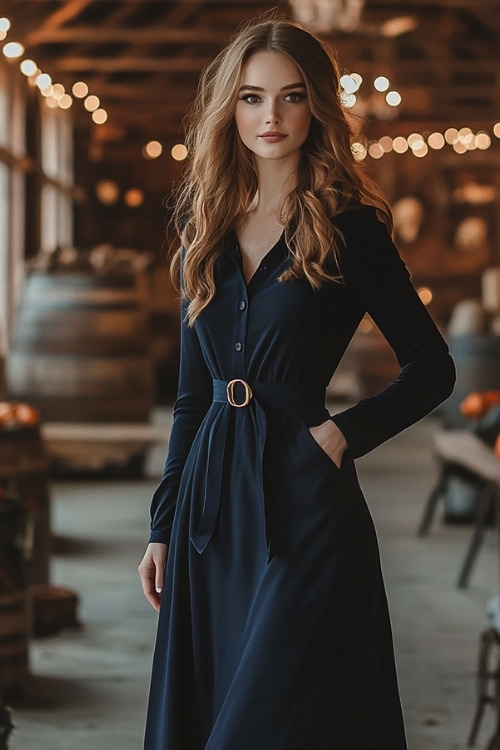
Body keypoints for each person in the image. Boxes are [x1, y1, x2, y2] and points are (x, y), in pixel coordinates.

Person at [138, 17, 455, 750]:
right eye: (252, 98)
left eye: (290, 97)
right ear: (230, 108)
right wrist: (162, 524)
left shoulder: (351, 227)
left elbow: (433, 367)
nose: (270, 117)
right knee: (214, 703)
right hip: (210, 505)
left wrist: (342, 436)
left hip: (305, 498)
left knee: (273, 718)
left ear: (317, 107)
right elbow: (192, 399)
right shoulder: (204, 228)